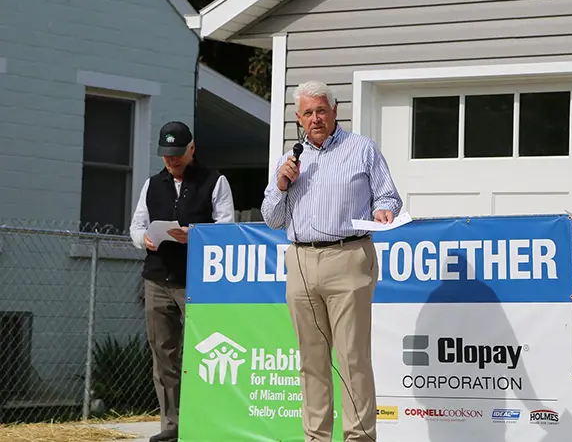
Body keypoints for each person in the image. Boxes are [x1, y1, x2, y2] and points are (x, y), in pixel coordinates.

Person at [261, 81, 402, 442]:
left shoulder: (361, 149)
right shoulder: (289, 160)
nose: (315, 118)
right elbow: (272, 219)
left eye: (321, 110)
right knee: (311, 362)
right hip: (301, 261)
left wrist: (384, 209)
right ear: (298, 119)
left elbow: (388, 195)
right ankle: (316, 437)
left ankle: (359, 437)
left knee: (353, 359)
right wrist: (280, 184)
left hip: (349, 257)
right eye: (307, 113)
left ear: (335, 111)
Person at [129, 121, 235, 442]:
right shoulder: (151, 184)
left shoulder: (215, 182)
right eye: (166, 155)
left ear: (191, 149)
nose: (171, 161)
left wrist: (196, 237)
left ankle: (207, 421)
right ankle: (172, 427)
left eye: (177, 154)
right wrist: (143, 240)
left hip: (198, 280)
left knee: (203, 353)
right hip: (157, 278)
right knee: (163, 354)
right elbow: (137, 225)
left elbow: (227, 227)